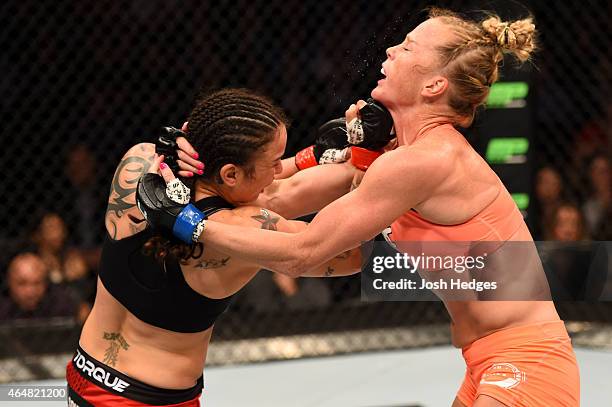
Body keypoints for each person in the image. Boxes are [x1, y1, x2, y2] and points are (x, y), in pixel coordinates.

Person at [145, 9, 580, 406]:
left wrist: (185, 223)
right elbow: (279, 194)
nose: (391, 49)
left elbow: (305, 252)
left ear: (433, 85)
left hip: (526, 363)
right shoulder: (397, 155)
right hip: (489, 360)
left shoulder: (424, 160)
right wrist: (194, 163)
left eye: (408, 47)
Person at [67, 88, 370, 406]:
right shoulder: (245, 226)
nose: (280, 169)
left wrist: (325, 159)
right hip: (150, 401)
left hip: (86, 374)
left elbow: (275, 190)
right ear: (230, 173)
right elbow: (352, 255)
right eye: (274, 162)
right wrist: (377, 173)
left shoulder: (138, 161)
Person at [0, 253, 77, 321]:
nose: (30, 292)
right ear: (9, 282)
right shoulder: (2, 308)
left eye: (37, 283)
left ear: (46, 283)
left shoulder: (62, 307)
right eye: (22, 283)